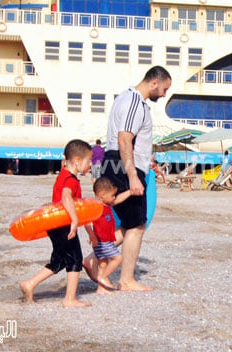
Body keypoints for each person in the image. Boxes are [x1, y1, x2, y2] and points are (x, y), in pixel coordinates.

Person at [87, 65, 171, 292]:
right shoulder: (135, 101)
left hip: (119, 162)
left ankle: (93, 260)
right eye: (164, 89)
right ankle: (125, 280)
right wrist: (133, 175)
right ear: (154, 82)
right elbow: (125, 139)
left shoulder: (124, 99)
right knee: (136, 226)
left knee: (129, 224)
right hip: (124, 165)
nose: (164, 95)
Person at [19, 139, 92, 307]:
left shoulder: (63, 175)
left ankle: (29, 284)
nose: (91, 165)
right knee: (75, 258)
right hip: (63, 225)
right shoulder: (71, 180)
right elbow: (67, 197)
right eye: (89, 161)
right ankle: (70, 299)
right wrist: (74, 220)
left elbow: (81, 209)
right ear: (77, 161)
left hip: (55, 226)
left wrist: (90, 231)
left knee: (59, 260)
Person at [86, 177, 131, 294]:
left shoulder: (107, 204)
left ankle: (101, 288)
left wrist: (130, 192)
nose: (114, 198)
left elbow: (118, 200)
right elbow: (85, 221)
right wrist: (91, 235)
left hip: (106, 241)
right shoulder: (96, 207)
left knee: (103, 264)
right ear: (102, 195)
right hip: (102, 241)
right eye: (112, 195)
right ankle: (103, 277)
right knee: (118, 258)